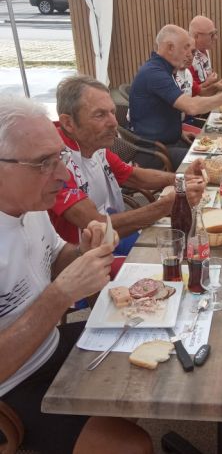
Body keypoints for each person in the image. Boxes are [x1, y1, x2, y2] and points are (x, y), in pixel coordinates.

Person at [0, 97, 153, 454]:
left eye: (59, 158)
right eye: (44, 163)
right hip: (13, 387)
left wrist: (82, 252)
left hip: (49, 344)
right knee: (133, 447)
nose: (63, 175)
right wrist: (60, 294)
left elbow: (55, 257)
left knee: (153, 348)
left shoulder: (31, 205)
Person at [49, 75, 206, 253]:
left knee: (194, 242)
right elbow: (98, 225)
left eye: (112, 112)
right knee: (183, 251)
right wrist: (165, 205)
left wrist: (182, 179)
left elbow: (133, 176)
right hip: (87, 253)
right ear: (68, 123)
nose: (114, 123)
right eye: (100, 115)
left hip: (114, 229)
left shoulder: (93, 145)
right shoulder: (54, 163)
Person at [129, 24, 222, 169]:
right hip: (154, 152)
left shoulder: (162, 69)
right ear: (170, 47)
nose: (189, 54)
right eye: (185, 48)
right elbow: (191, 107)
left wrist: (179, 131)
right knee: (220, 162)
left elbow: (159, 112)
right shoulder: (154, 73)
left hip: (170, 142)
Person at [188, 15, 222, 91]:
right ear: (196, 36)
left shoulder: (205, 50)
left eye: (215, 33)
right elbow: (189, 93)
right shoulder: (187, 58)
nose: (216, 37)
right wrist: (207, 83)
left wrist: (217, 83)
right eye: (211, 35)